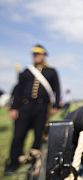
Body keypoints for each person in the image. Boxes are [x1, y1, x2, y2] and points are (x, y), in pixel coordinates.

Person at [4, 44, 61, 175]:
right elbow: (18, 90)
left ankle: (34, 162)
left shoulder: (51, 71)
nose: (35, 56)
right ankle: (13, 163)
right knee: (18, 136)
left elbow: (57, 88)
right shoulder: (26, 71)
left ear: (44, 55)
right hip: (24, 107)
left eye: (38, 54)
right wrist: (14, 107)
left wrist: (56, 105)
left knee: (38, 136)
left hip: (41, 108)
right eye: (34, 54)